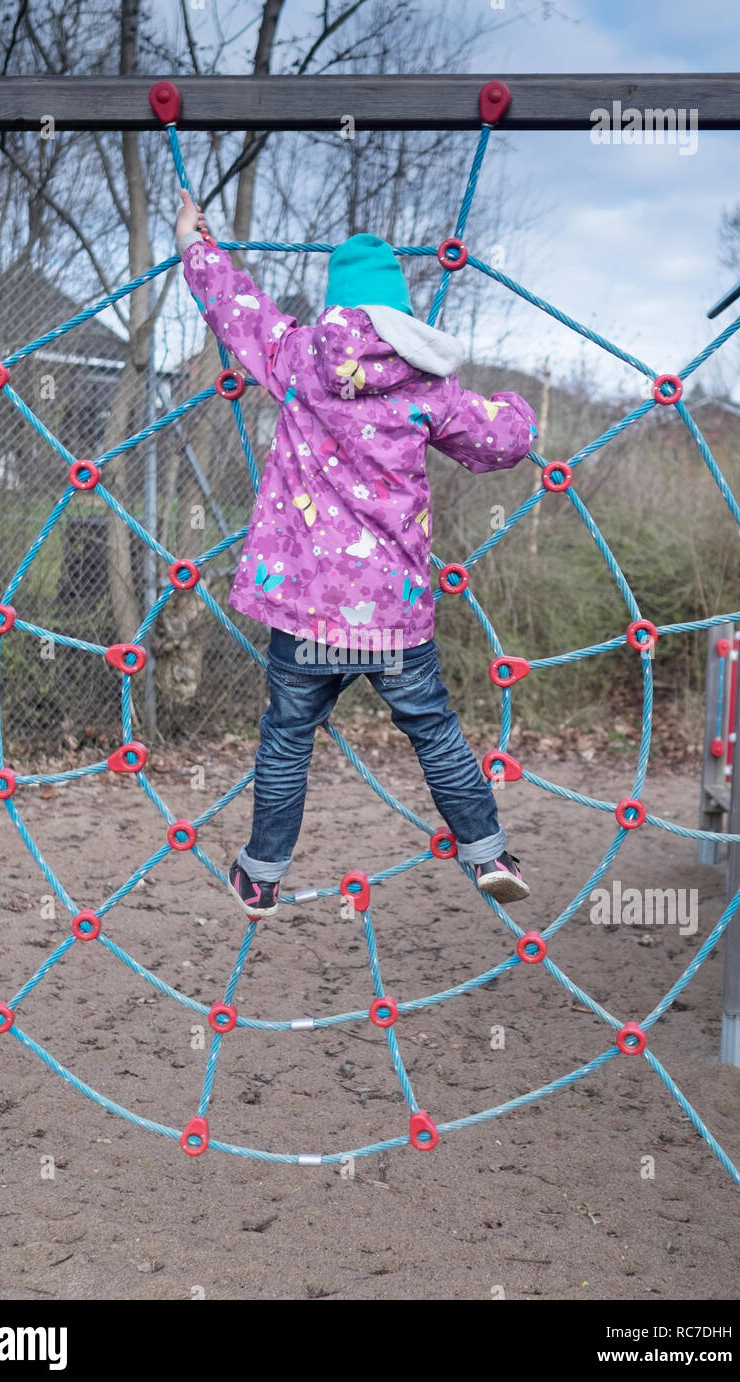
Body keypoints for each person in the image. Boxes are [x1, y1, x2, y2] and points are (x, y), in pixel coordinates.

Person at [175, 189, 536, 917]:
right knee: (432, 730)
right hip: (393, 619)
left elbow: (233, 305)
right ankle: (488, 852)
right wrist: (519, 409)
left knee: (286, 739)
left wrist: (195, 244)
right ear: (399, 316)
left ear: (337, 308)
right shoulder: (424, 385)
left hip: (304, 613)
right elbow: (503, 439)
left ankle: (262, 875)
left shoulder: (298, 357)